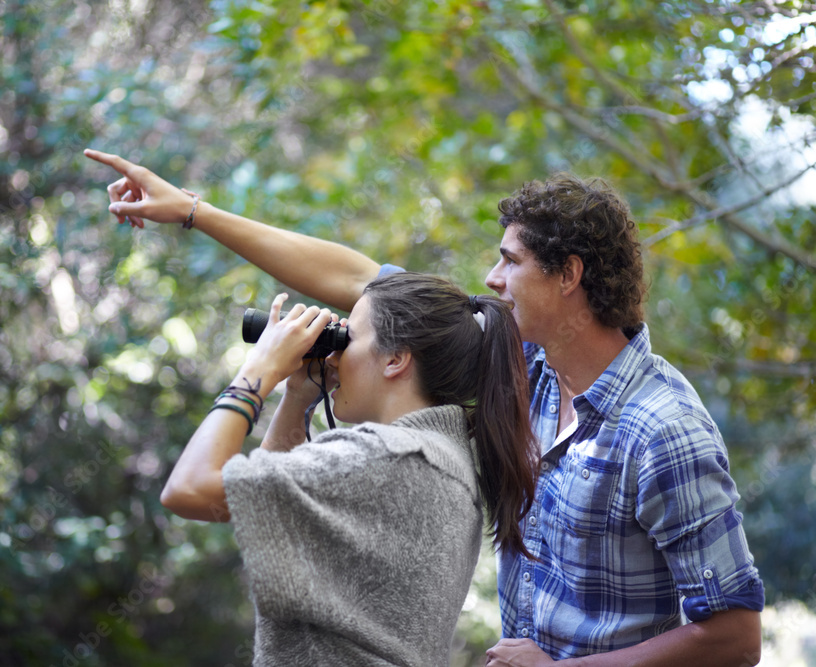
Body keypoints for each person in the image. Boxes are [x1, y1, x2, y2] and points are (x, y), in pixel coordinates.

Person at [84, 149, 765, 666]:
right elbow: (359, 279)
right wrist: (194, 212)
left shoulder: (664, 430)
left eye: (509, 262)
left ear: (569, 275)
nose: (492, 281)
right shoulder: (528, 368)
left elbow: (736, 633)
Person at [159, 272, 538, 666]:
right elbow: (260, 492)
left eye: (347, 340)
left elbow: (189, 490)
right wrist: (297, 395)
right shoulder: (445, 460)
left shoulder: (388, 458)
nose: (333, 357)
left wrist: (258, 370)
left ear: (395, 359)